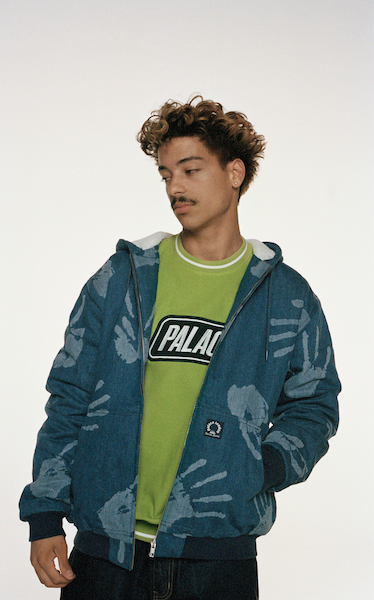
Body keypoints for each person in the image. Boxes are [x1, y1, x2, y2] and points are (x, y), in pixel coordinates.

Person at [19, 96, 340, 599]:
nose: (174, 187)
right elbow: (70, 395)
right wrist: (44, 512)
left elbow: (315, 405)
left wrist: (260, 468)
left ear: (234, 172)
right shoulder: (124, 276)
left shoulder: (286, 296)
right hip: (105, 551)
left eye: (190, 170)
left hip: (218, 558)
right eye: (166, 174)